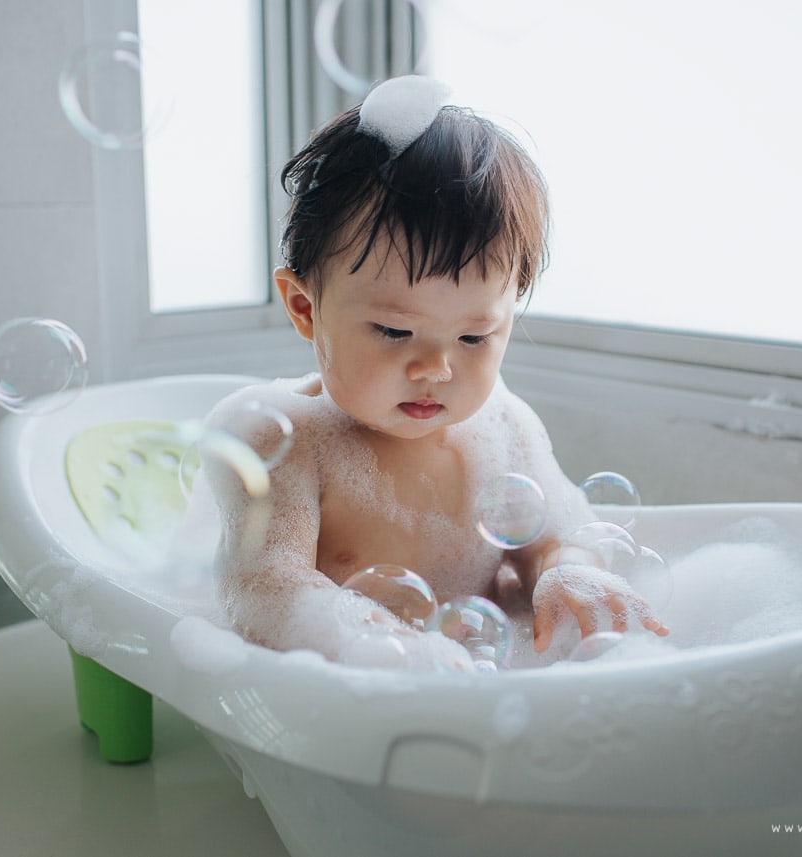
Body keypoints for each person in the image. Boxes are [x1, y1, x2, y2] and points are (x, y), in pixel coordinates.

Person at [206, 77, 668, 670]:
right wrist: (376, 645)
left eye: (474, 336)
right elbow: (265, 588)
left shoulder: (503, 425)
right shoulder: (286, 441)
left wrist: (568, 574)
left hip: (488, 683)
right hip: (355, 702)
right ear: (305, 307)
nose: (436, 368)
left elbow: (553, 541)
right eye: (396, 332)